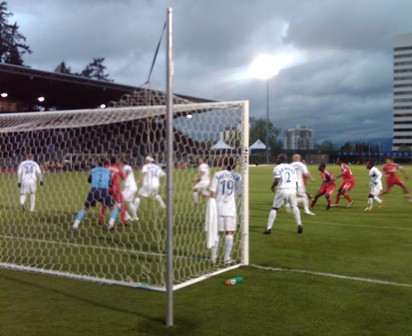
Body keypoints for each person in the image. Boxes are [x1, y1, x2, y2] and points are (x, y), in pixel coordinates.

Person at [208, 156, 241, 264]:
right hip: (230, 208)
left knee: (216, 232)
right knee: (229, 233)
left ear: (223, 163)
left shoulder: (217, 175)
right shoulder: (237, 176)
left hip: (218, 207)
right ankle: (226, 258)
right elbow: (240, 193)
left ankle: (213, 257)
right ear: (234, 165)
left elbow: (212, 193)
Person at [72, 162, 119, 230]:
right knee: (114, 206)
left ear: (97, 165)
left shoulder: (93, 170)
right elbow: (110, 183)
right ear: (104, 166)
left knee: (85, 208)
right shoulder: (108, 171)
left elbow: (89, 180)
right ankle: (111, 224)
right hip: (104, 191)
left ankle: (75, 225)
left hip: (93, 190)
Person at [263, 153, 303, 235]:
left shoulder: (277, 167)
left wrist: (272, 186)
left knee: (274, 208)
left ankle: (268, 228)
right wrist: (296, 190)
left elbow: (277, 179)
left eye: (278, 158)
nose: (277, 160)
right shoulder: (292, 167)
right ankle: (299, 224)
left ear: (280, 159)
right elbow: (296, 181)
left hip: (282, 188)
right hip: (292, 189)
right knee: (294, 206)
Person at [98, 157, 125, 225]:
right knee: (122, 203)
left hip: (106, 188)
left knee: (103, 204)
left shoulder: (105, 167)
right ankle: (122, 220)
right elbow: (123, 177)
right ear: (115, 161)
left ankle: (100, 220)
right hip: (115, 188)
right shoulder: (117, 167)